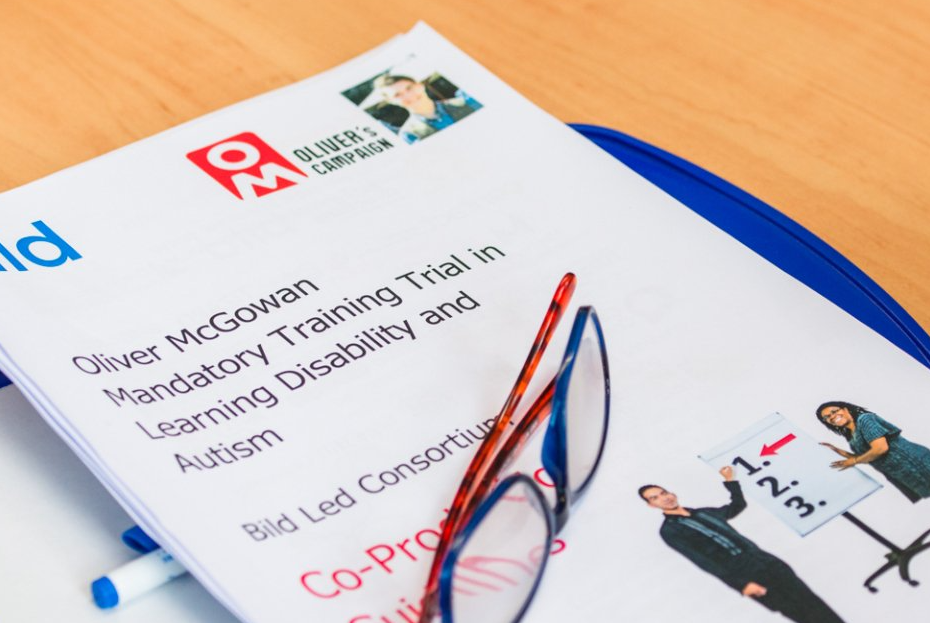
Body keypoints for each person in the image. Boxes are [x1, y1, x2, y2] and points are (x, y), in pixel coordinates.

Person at [638, 467, 844, 623]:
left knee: (811, 601)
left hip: (767, 563)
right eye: (655, 498)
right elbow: (703, 561)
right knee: (798, 612)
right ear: (651, 505)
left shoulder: (704, 513)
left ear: (671, 492)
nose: (663, 498)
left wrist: (730, 481)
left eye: (664, 493)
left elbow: (737, 506)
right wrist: (742, 584)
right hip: (746, 574)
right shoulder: (670, 531)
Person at [816, 400, 930, 502]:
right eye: (827, 417)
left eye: (834, 411)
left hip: (914, 462)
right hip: (899, 473)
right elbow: (866, 457)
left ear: (845, 409)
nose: (832, 416)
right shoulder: (851, 435)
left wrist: (854, 461)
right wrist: (836, 450)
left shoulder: (865, 419)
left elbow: (880, 448)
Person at [373, 74, 482, 143]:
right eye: (397, 95)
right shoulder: (409, 135)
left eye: (409, 88)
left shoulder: (465, 102)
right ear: (391, 102)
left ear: (420, 85)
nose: (408, 95)